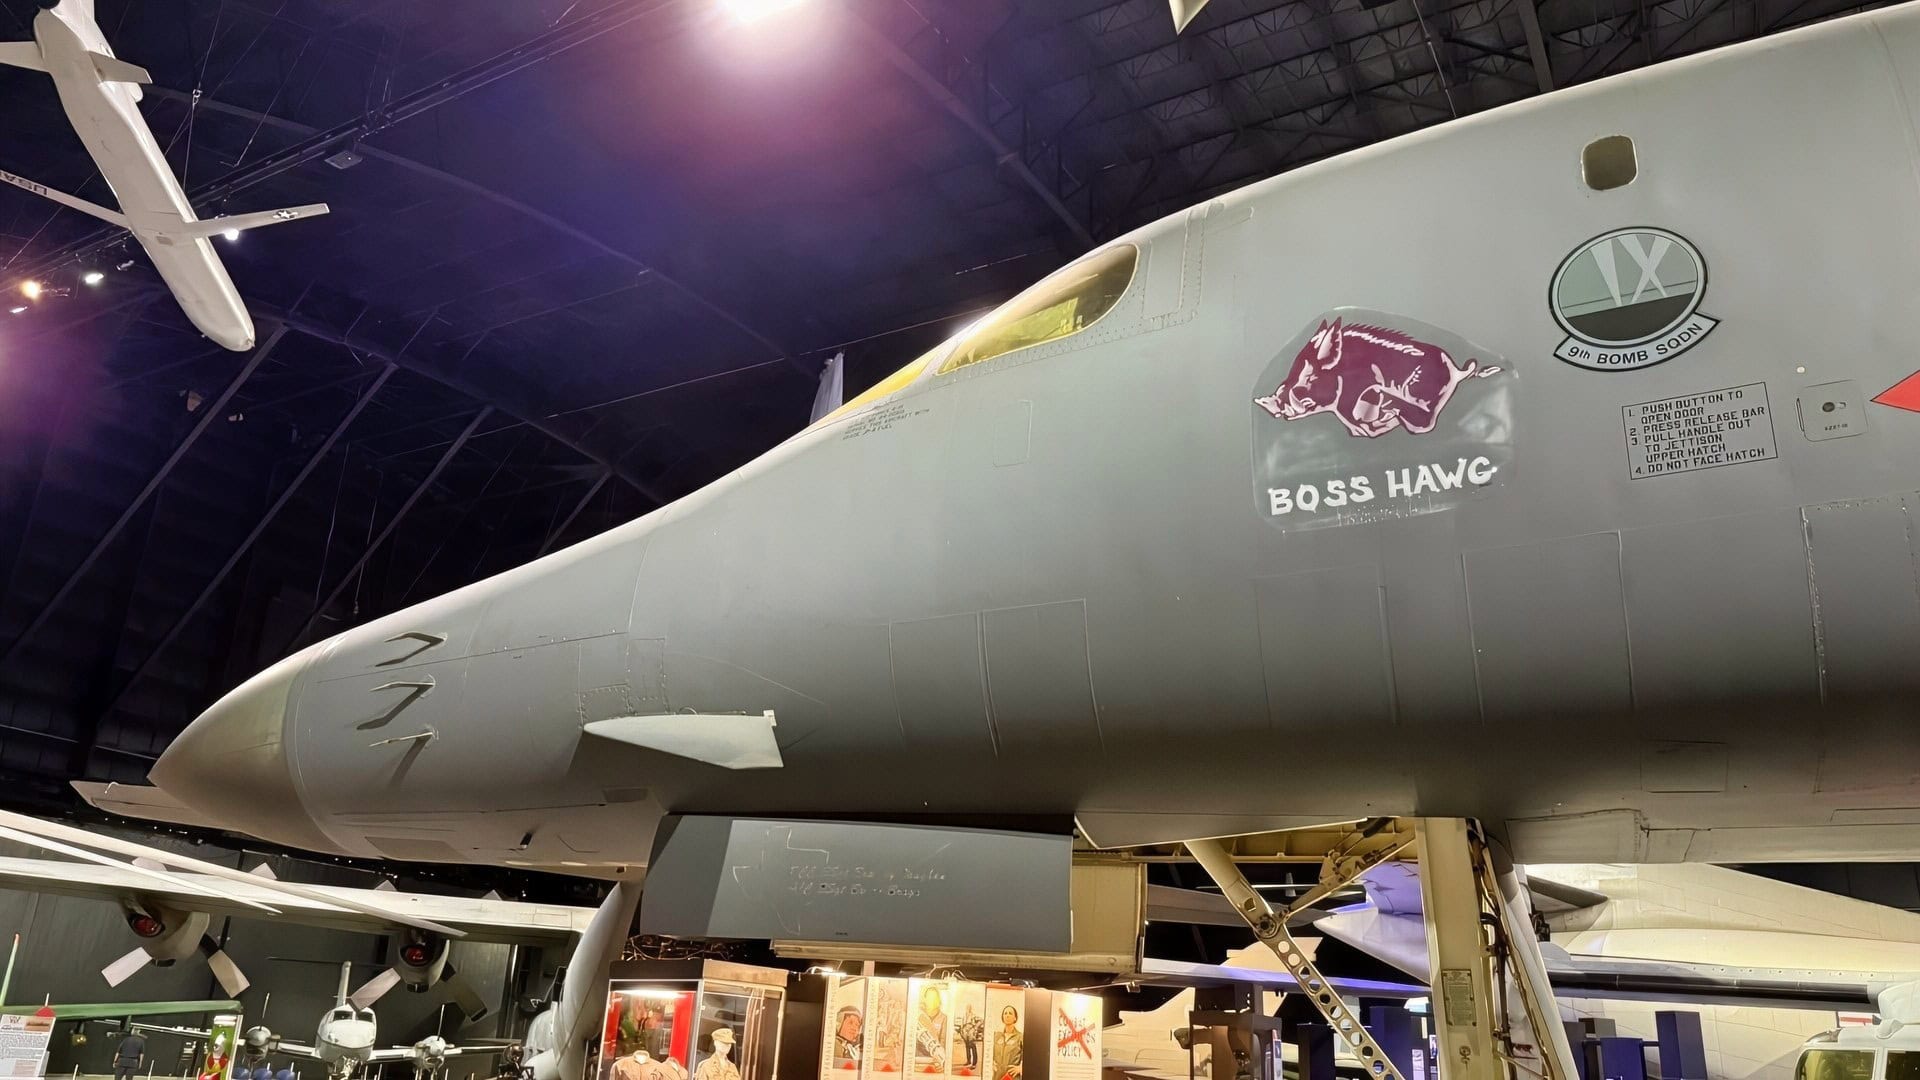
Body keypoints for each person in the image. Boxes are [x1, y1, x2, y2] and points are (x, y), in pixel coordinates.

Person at [991, 1007, 1021, 1080]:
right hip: (997, 1077)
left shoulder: (1020, 1037)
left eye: (1010, 1013)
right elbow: (989, 1053)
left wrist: (1021, 1068)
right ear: (1002, 1017)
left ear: (1015, 1018)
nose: (1007, 1015)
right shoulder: (996, 1036)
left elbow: (1030, 1057)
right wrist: (990, 1064)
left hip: (1012, 1077)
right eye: (1005, 1013)